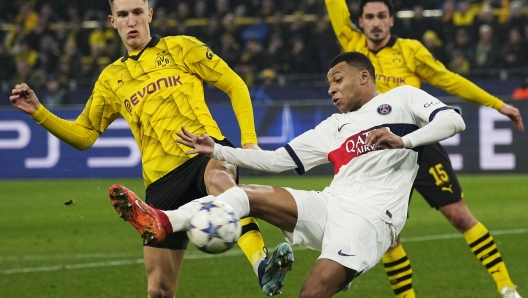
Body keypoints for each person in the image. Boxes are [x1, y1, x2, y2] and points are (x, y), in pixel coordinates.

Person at [109, 51, 466, 297]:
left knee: (312, 292)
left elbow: (453, 120)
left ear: (364, 76)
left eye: (338, 80)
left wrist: (403, 141)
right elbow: (278, 160)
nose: (331, 89)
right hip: (332, 203)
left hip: (372, 219)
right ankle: (164, 222)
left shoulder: (403, 98)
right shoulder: (334, 126)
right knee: (244, 193)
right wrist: (216, 150)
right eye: (329, 83)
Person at [8, 0, 293, 297]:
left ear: (149, 15)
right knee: (159, 289)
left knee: (221, 180)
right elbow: (85, 135)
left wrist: (248, 141)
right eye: (123, 15)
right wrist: (39, 112)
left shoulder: (182, 47)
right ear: (112, 21)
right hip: (160, 182)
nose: (131, 21)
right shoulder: (110, 80)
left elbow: (235, 84)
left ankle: (263, 265)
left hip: (203, 152)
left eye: (137, 13)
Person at [324, 0, 524, 297]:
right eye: (369, 17)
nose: (376, 22)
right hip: (375, 153)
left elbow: (449, 80)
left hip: (418, 144)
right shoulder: (352, 47)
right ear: (360, 22)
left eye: (381, 16)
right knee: (390, 235)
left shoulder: (411, 50)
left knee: (459, 215)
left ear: (392, 20)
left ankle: (507, 287)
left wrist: (497, 104)